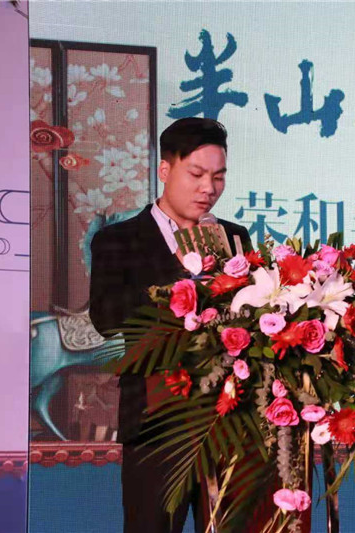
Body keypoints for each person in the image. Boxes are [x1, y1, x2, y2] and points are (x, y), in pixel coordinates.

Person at [89, 117, 251, 533]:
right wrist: (180, 278)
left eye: (218, 176)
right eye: (196, 174)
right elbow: (106, 319)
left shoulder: (235, 237)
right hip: (155, 425)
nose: (208, 188)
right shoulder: (118, 239)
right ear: (165, 170)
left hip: (229, 422)